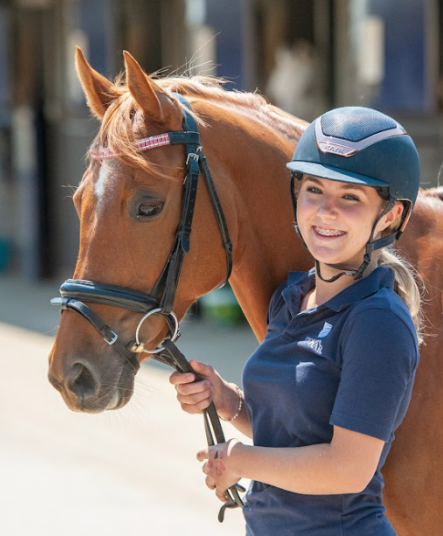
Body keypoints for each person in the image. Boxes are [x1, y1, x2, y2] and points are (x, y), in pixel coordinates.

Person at [170, 106, 423, 535]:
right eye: (313, 190)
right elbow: (295, 431)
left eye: (350, 197)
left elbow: (347, 469)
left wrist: (238, 460)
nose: (325, 211)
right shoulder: (291, 298)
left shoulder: (378, 323)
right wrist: (229, 402)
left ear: (392, 216)